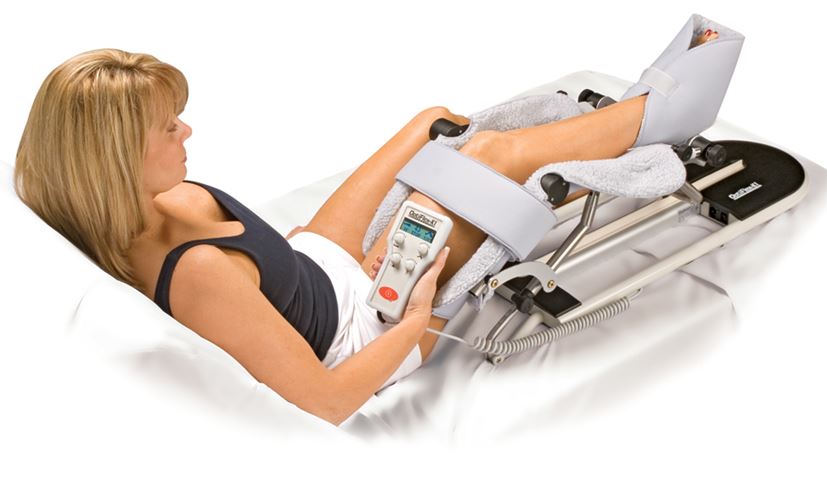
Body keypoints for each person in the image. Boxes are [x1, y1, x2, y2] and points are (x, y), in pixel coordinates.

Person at [13, 25, 727, 426]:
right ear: (115, 155)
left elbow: (269, 272)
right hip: (359, 327)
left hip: (312, 267)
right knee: (490, 155)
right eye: (169, 127)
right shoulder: (197, 271)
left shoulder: (98, 199)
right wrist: (414, 319)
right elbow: (325, 402)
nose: (188, 131)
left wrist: (324, 251)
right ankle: (655, 118)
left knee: (432, 126)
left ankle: (604, 126)